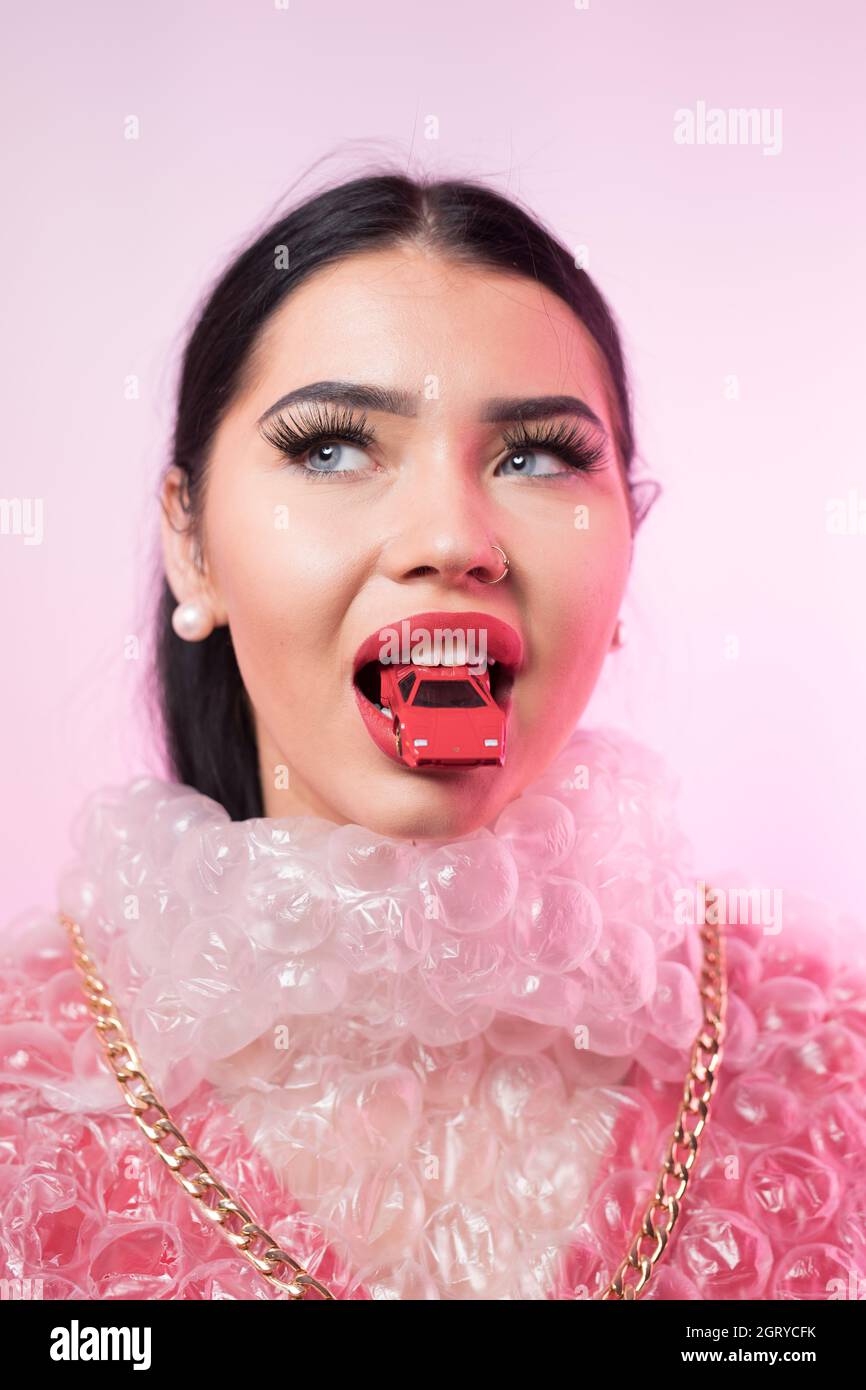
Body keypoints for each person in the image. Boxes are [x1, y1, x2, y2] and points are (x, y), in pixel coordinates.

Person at [2, 171, 864, 1302]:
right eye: (329, 449)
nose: (450, 538)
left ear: (625, 539)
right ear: (192, 543)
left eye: (539, 456)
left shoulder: (824, 1066)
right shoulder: (30, 1096)